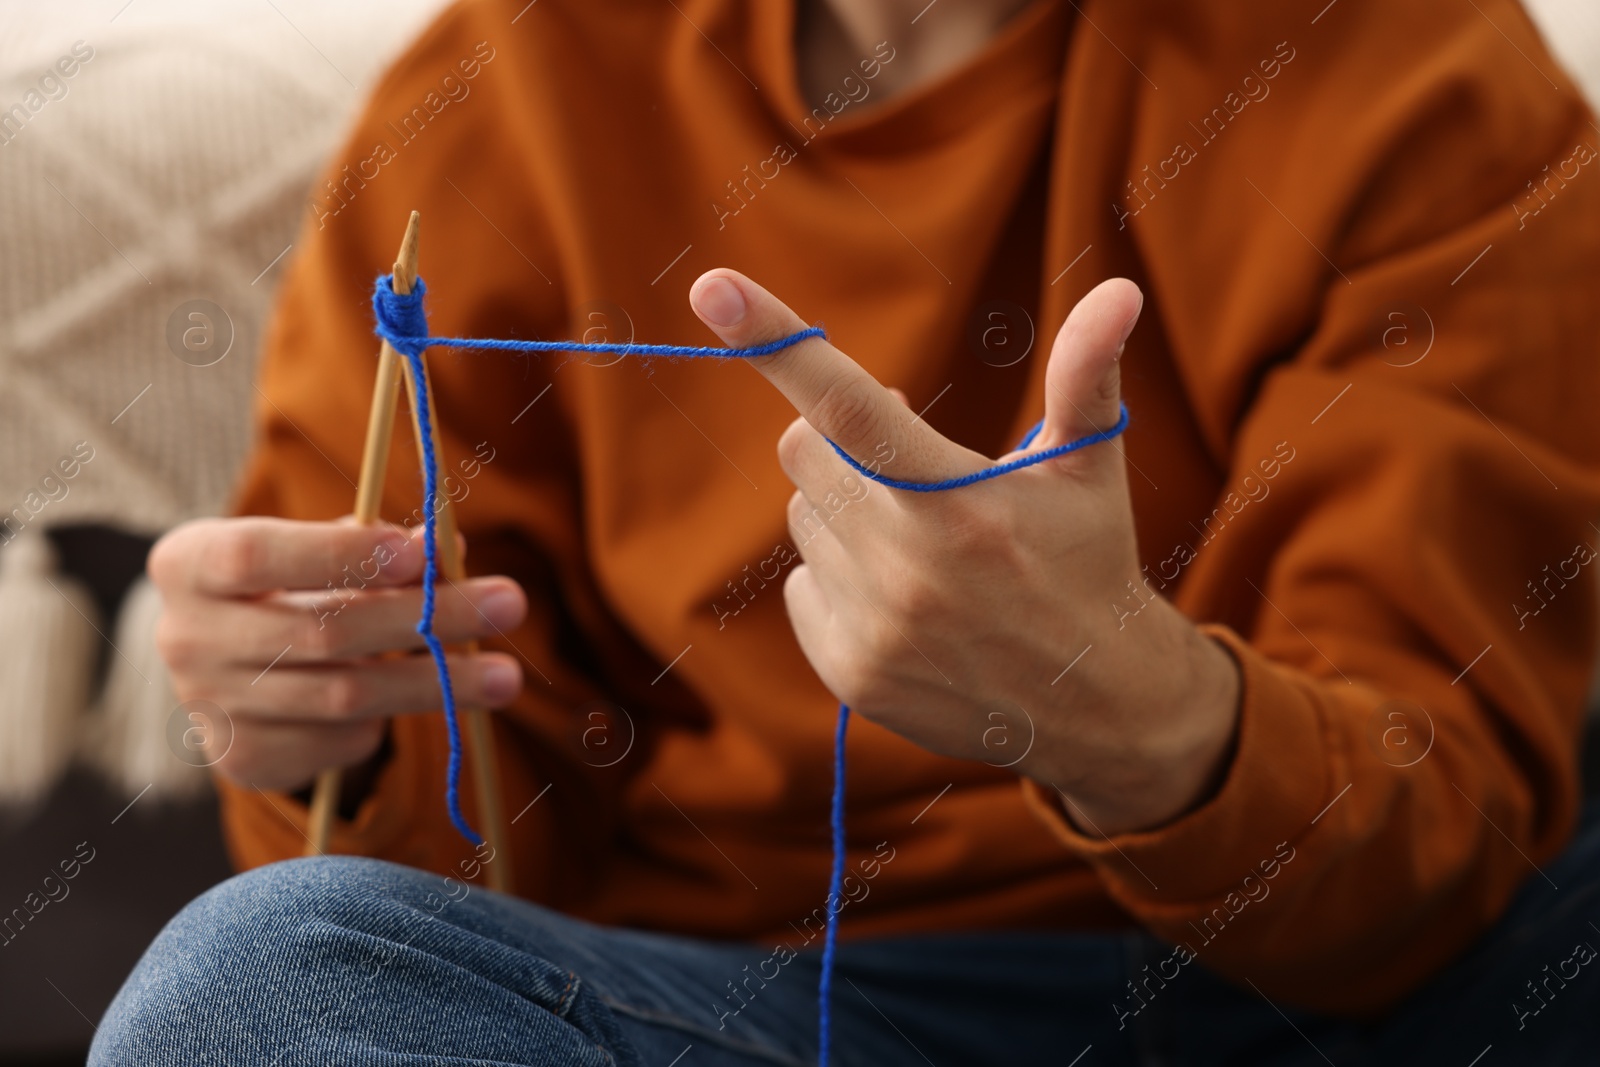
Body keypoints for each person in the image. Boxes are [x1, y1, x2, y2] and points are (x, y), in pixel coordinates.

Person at [91, 0, 1600, 1063]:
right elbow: (460, 881)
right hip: (751, 1014)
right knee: (253, 985)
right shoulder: (509, 80)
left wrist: (1126, 715)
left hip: (1329, 1009)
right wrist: (325, 735)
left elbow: (1436, 849)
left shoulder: (1412, 67)